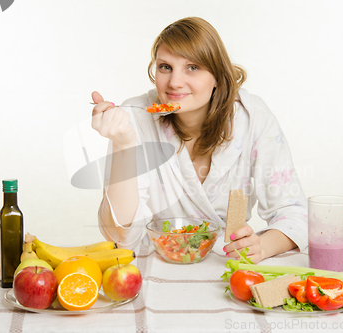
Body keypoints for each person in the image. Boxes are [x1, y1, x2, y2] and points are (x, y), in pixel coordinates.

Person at [91, 17, 308, 263]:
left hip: (228, 265)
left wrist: (263, 246)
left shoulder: (252, 117)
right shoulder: (134, 118)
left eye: (192, 67)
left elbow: (294, 214)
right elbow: (121, 236)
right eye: (165, 67)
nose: (174, 82)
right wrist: (123, 145)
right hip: (159, 265)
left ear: (217, 76)